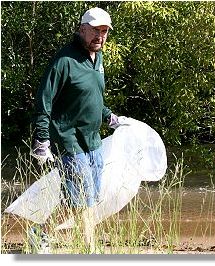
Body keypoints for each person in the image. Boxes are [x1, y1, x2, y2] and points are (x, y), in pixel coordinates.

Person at [31, 7, 120, 253]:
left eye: (104, 32)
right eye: (95, 31)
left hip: (93, 140)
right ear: (81, 28)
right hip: (69, 140)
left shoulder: (97, 57)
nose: (100, 37)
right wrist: (42, 139)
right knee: (84, 202)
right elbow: (43, 100)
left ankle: (40, 233)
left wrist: (109, 116)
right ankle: (90, 251)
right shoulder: (64, 61)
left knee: (80, 200)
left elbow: (93, 95)